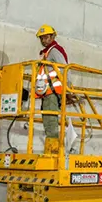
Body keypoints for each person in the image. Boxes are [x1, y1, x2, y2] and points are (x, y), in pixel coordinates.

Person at [34, 24, 68, 155]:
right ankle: (53, 150)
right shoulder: (46, 53)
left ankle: (54, 152)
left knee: (51, 121)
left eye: (46, 37)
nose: (43, 40)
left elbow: (65, 69)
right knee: (48, 120)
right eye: (41, 38)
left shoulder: (54, 51)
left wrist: (67, 88)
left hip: (52, 93)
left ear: (52, 36)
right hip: (47, 93)